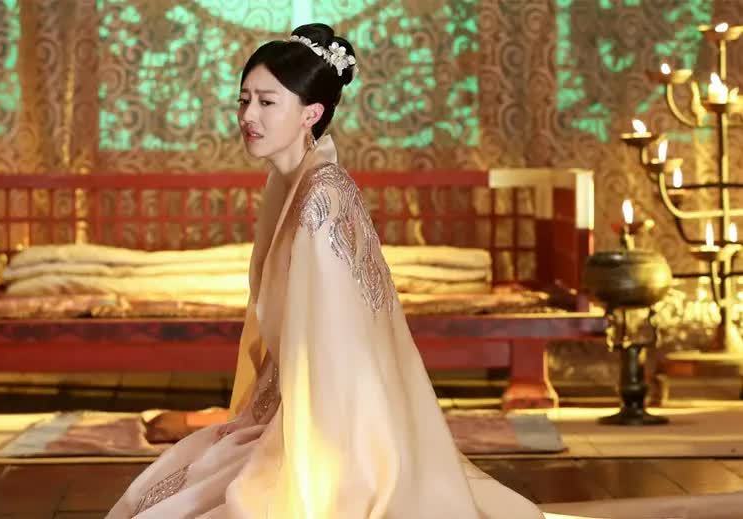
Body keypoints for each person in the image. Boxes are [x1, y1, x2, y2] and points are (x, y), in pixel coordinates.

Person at [107, 23, 549, 519]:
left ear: (310, 113)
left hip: (337, 415)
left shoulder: (321, 195)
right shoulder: (293, 180)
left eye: (267, 102)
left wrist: (292, 432)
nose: (248, 116)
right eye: (244, 100)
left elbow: (334, 338)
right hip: (305, 395)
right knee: (175, 483)